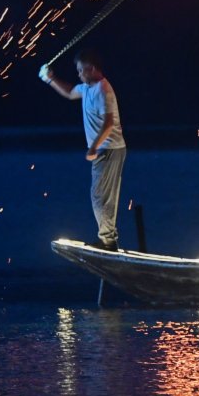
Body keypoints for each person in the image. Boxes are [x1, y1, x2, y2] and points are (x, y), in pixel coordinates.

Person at [39, 50, 127, 250]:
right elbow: (70, 93)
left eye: (81, 70)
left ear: (92, 69)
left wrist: (94, 147)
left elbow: (109, 123)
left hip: (110, 149)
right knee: (100, 195)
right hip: (105, 149)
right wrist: (49, 79)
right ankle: (108, 239)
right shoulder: (88, 88)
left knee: (100, 195)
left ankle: (108, 240)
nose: (78, 74)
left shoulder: (104, 90)